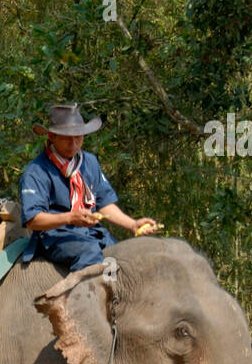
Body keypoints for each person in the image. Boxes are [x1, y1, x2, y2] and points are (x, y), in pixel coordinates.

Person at [18, 103, 158, 272]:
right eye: (67, 137)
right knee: (90, 253)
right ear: (52, 136)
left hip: (90, 232)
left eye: (78, 137)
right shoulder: (36, 171)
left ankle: (111, 296)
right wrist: (70, 218)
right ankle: (82, 298)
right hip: (54, 235)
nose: (74, 143)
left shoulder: (89, 162)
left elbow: (104, 202)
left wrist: (133, 224)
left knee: (120, 256)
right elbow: (33, 220)